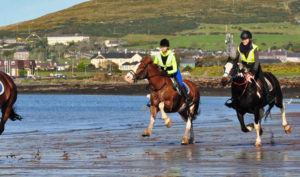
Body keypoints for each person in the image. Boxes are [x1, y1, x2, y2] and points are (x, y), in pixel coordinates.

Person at [225, 30, 273, 108]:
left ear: (249, 39)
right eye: (243, 39)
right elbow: (235, 59)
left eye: (245, 39)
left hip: (255, 66)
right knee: (235, 80)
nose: (244, 41)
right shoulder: (239, 48)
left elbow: (257, 61)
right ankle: (234, 98)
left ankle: (268, 96)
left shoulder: (254, 47)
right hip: (245, 67)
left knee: (262, 79)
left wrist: (253, 71)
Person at [154, 38, 192, 106]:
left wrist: (167, 72)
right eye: (162, 46)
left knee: (180, 83)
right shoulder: (158, 55)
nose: (162, 48)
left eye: (164, 46)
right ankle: (153, 100)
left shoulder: (172, 55)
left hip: (174, 72)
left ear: (167, 47)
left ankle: (187, 98)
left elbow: (174, 69)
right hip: (163, 72)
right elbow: (154, 65)